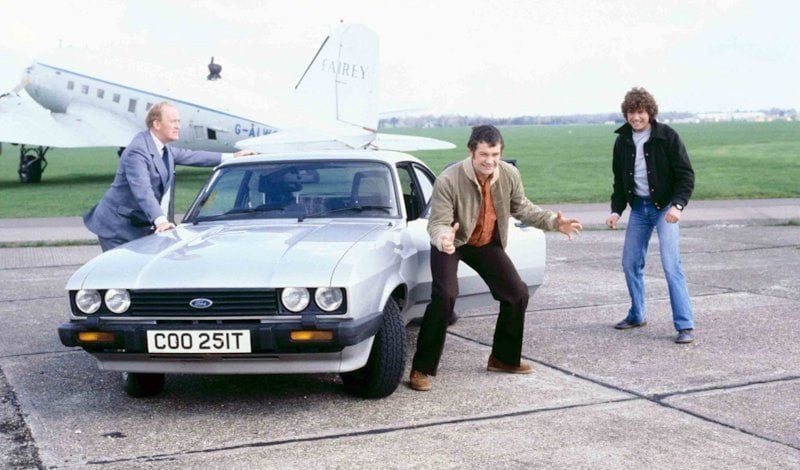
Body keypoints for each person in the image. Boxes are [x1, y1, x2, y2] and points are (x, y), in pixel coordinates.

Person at [409, 125, 582, 392]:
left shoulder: (509, 175)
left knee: (517, 293)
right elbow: (439, 222)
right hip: (451, 242)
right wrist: (443, 238)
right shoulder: (449, 179)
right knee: (445, 296)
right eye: (484, 154)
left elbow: (522, 207)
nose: (490, 160)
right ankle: (421, 368)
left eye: (495, 154)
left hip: (484, 242)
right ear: (471, 152)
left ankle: (503, 358)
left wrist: (553, 222)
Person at [84, 101, 254, 251]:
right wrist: (161, 221)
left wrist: (232, 157)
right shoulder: (138, 151)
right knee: (122, 278)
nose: (178, 126)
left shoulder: (164, 148)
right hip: (117, 227)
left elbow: (192, 156)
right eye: (173, 121)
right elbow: (143, 190)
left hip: (137, 224)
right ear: (156, 124)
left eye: (178, 121)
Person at [605, 87, 696, 344]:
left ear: (650, 113)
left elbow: (686, 176)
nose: (636, 117)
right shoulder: (622, 141)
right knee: (630, 262)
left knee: (671, 265)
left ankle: (685, 325)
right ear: (626, 114)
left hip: (664, 209)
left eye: (641, 112)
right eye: (632, 112)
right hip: (639, 210)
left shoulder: (667, 136)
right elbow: (619, 182)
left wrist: (677, 206)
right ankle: (637, 314)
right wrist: (615, 211)